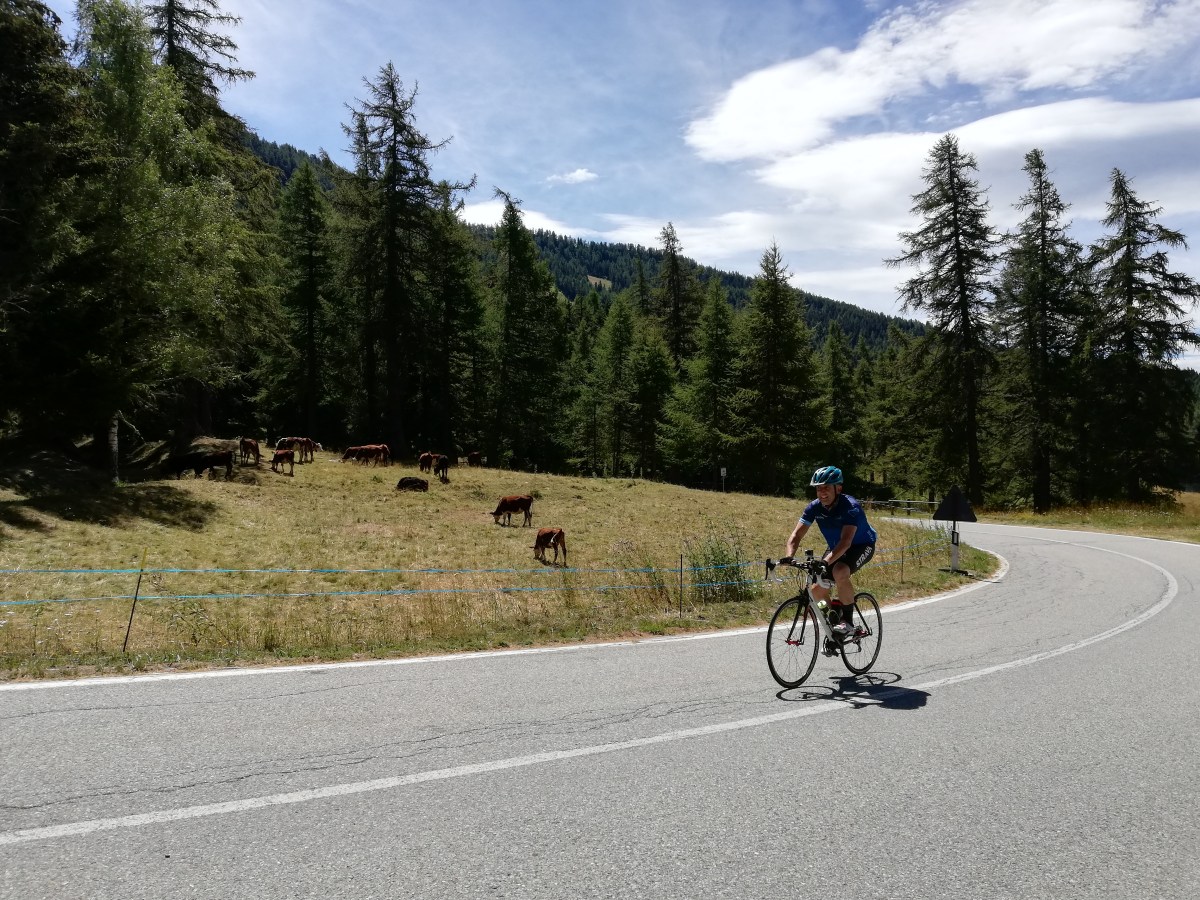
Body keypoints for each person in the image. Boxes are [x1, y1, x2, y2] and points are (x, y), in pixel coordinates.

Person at [781, 465, 877, 652]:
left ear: (838, 488)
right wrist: (789, 556)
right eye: (818, 488)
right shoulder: (814, 508)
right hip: (836, 548)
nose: (821, 492)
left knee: (840, 571)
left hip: (861, 545)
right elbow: (796, 536)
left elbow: (846, 542)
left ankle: (847, 621)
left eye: (826, 487)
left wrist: (825, 561)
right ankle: (832, 613)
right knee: (816, 589)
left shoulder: (851, 507)